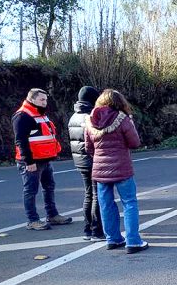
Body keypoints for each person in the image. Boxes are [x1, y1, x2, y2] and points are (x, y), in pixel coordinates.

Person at [85, 89, 147, 254]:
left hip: (99, 170)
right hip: (122, 168)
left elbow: (88, 147)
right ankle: (133, 241)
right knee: (129, 203)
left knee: (106, 204)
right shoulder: (123, 119)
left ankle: (112, 239)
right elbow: (134, 142)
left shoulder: (91, 120)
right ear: (119, 102)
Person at [12, 88, 73, 230]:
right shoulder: (22, 116)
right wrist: (29, 162)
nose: (45, 103)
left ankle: (52, 215)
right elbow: (21, 141)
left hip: (44, 159)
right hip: (32, 161)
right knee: (31, 190)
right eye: (42, 100)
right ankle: (32, 220)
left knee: (49, 187)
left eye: (45, 100)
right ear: (32, 99)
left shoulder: (39, 114)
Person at [68, 85, 105, 241]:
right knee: (97, 195)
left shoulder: (74, 116)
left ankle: (87, 229)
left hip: (80, 160)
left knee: (88, 194)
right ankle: (97, 230)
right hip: (93, 159)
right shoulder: (91, 116)